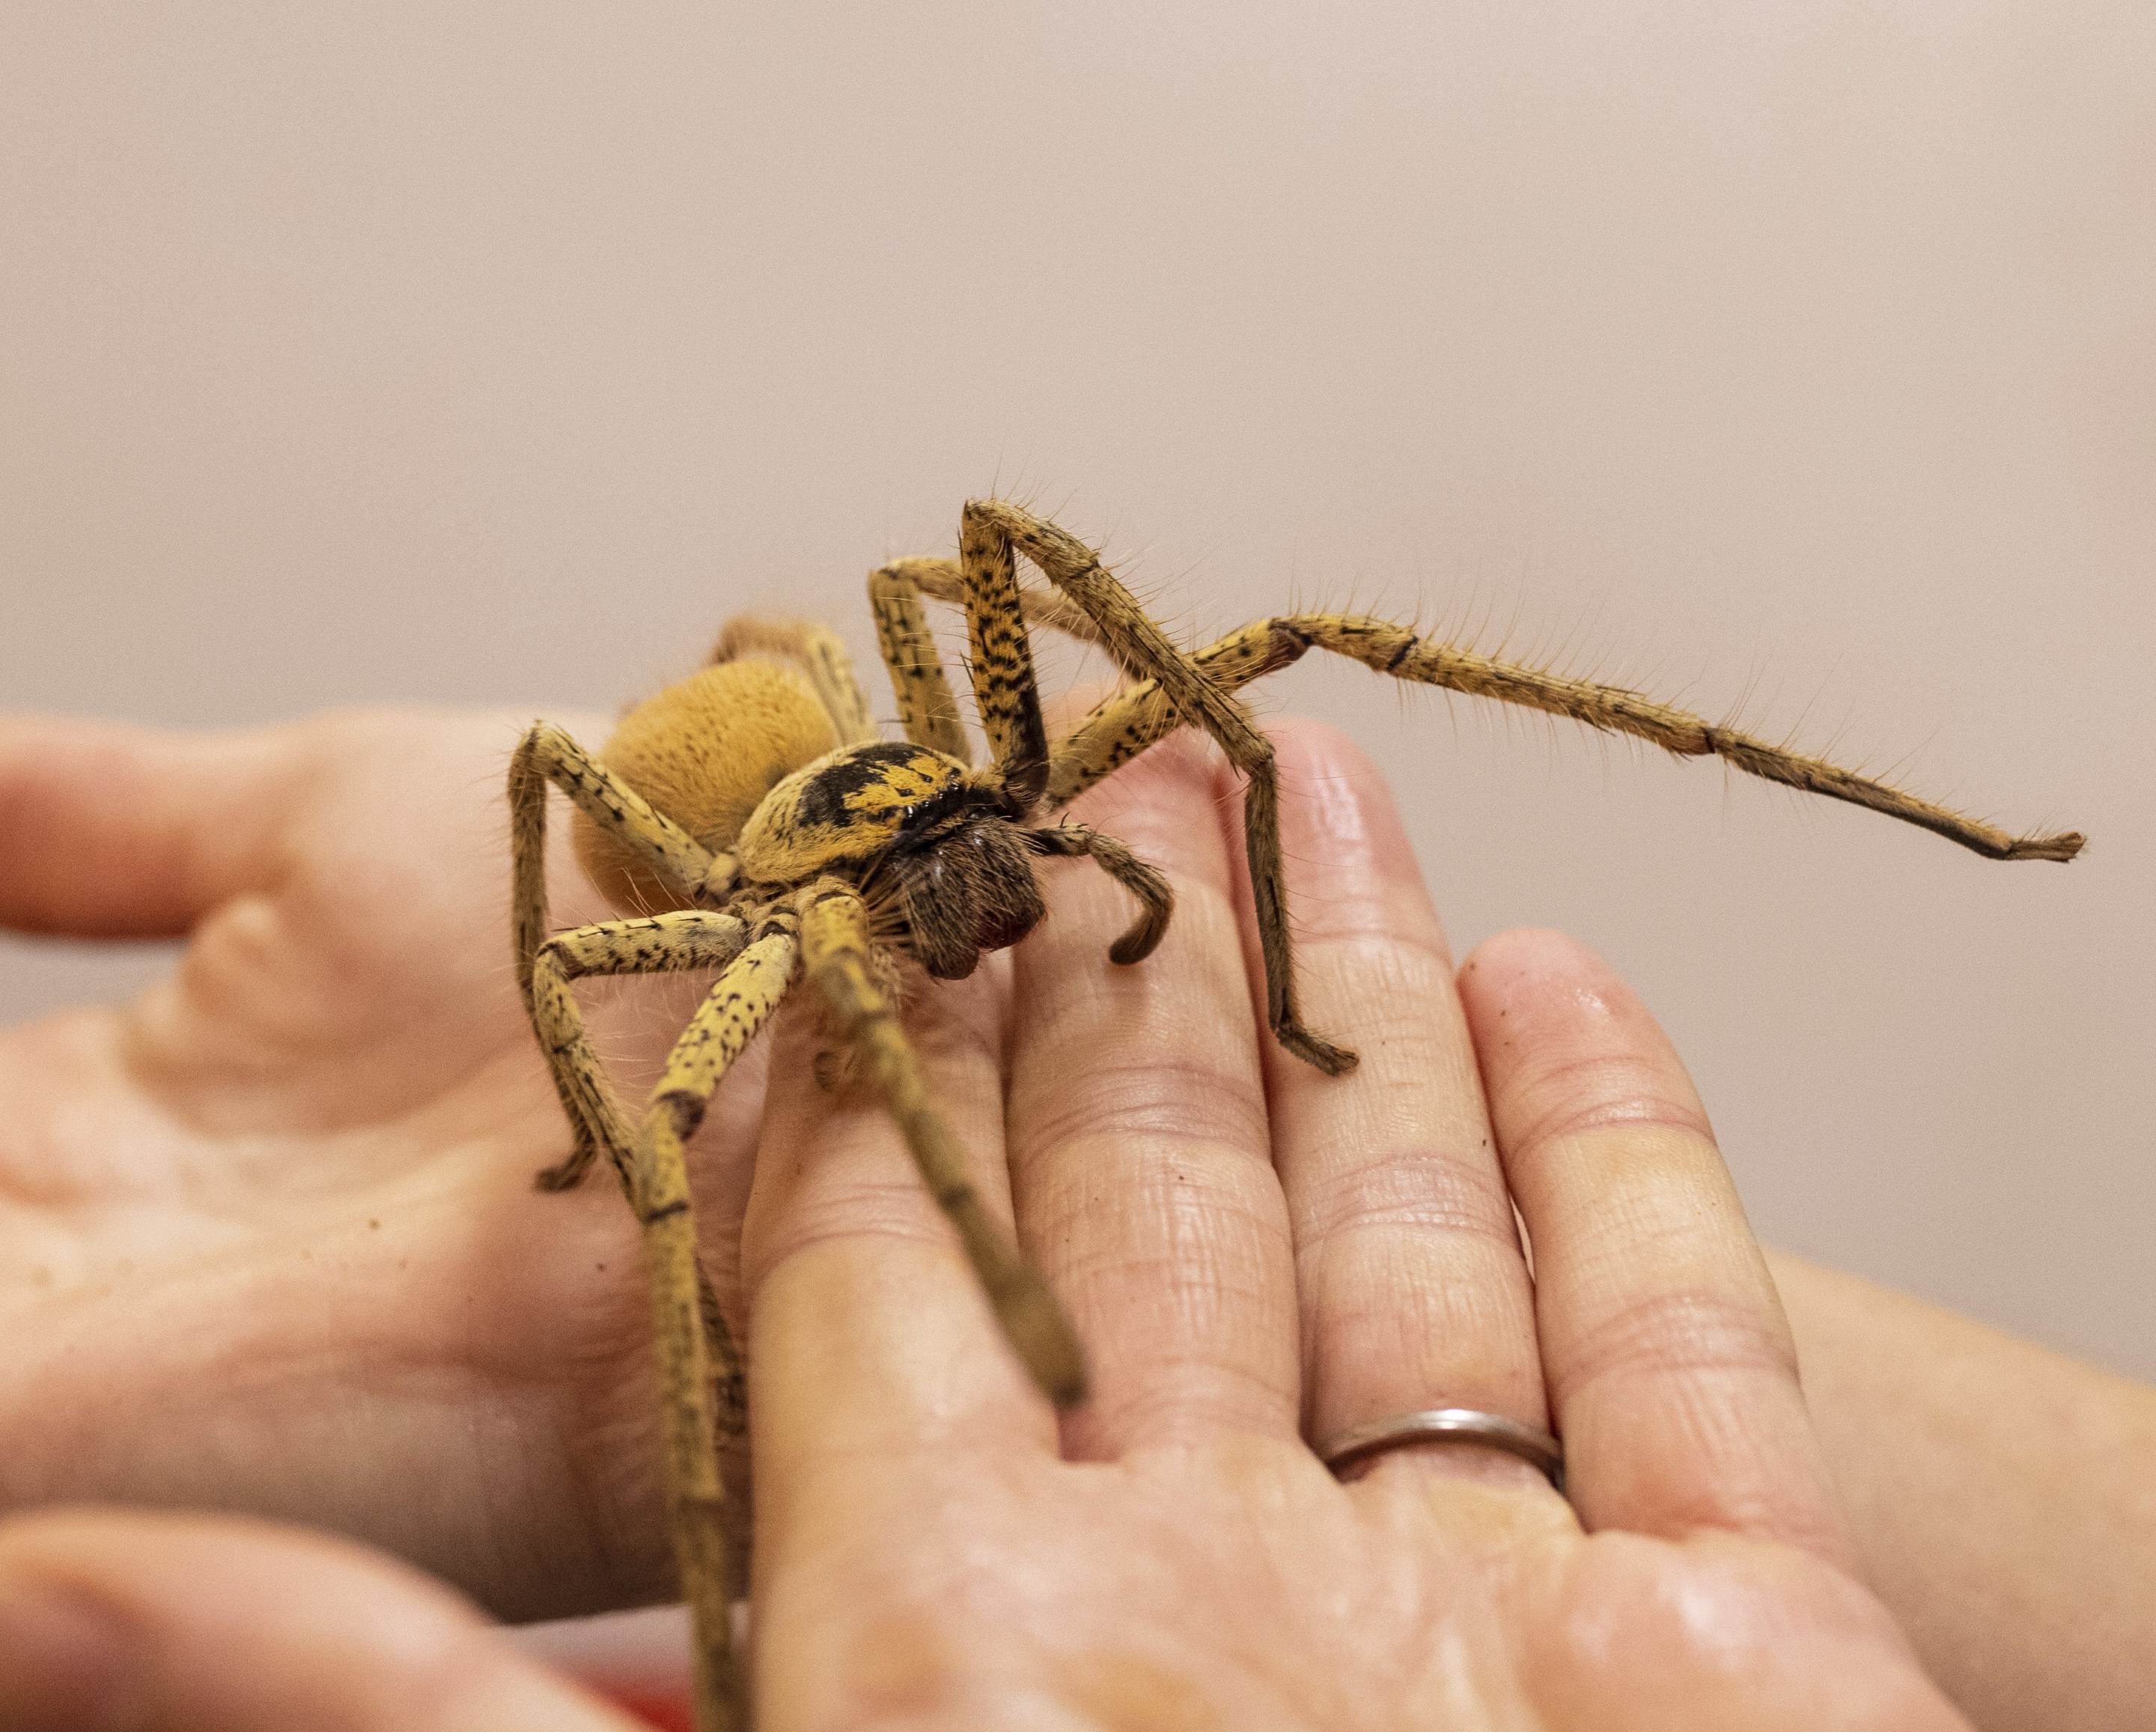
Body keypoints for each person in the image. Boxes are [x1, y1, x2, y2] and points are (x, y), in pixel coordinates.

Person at [0, 703, 2148, 1731]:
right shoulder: (766, 934)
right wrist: (602, 1137)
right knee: (669, 1150)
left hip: (869, 781)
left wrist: (1269, 960)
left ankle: (1917, 795)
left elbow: (1220, 689)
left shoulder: (999, 776)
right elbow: (591, 958)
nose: (982, 899)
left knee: (1288, 647)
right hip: (746, 846)